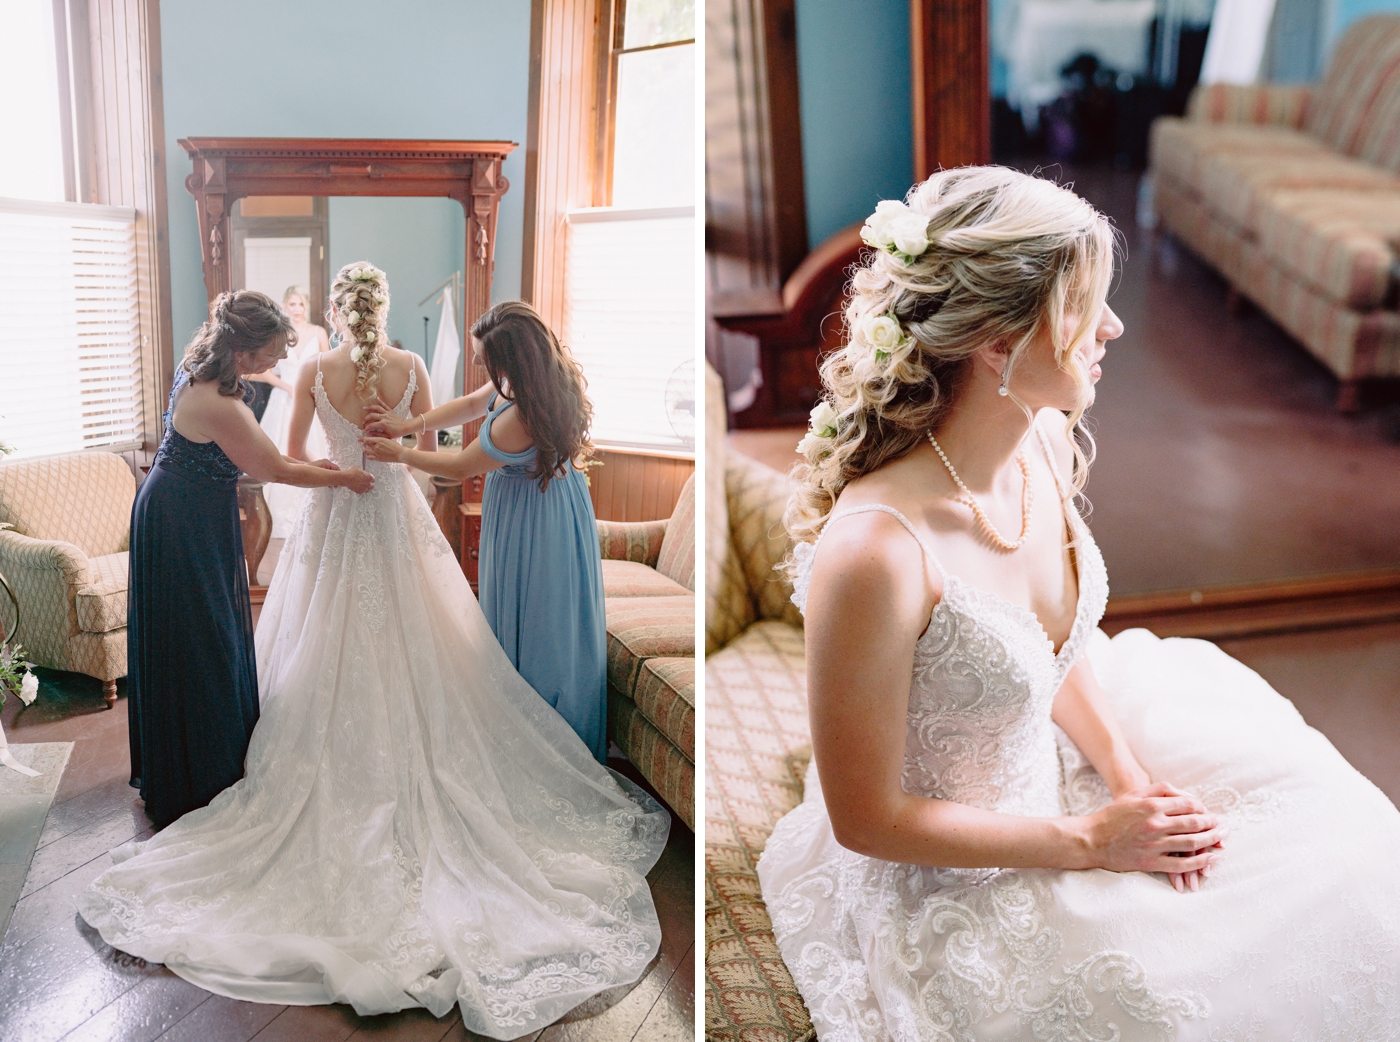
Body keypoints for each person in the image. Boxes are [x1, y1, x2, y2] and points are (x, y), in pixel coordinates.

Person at [757, 168, 1400, 1040]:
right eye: (1083, 306)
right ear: (995, 342)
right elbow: (868, 819)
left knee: (1352, 849)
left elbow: (1050, 651)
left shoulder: (1045, 441)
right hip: (960, 858)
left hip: (1072, 759)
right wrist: (1093, 841)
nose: (1115, 326)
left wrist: (1130, 777)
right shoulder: (875, 552)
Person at [77, 263, 668, 1039]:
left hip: (336, 513)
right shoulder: (413, 366)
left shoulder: (312, 375)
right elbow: (443, 437)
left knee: (308, 648)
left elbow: (291, 459)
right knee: (440, 645)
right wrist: (393, 460)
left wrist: (342, 468)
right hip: (390, 513)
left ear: (334, 311)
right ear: (382, 310)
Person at [127, 290, 372, 828]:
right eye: (273, 352)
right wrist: (343, 478)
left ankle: (189, 757)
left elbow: (268, 456)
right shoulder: (219, 403)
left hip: (184, 510)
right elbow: (276, 470)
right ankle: (198, 773)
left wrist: (326, 466)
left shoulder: (202, 369)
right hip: (180, 522)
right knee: (200, 635)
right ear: (243, 353)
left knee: (199, 631)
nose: (281, 360)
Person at [362, 301, 608, 762]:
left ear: (511, 359)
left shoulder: (522, 417)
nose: (479, 365)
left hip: (535, 522)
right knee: (530, 614)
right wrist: (411, 424)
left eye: (483, 359)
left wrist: (399, 452)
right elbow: (473, 404)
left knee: (540, 622)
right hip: (546, 503)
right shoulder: (530, 382)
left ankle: (545, 742)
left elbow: (457, 467)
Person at [250, 285, 330, 538]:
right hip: (283, 401)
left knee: (316, 448)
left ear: (307, 306)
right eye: (292, 304)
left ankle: (321, 514)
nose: (296, 309)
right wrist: (286, 386)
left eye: (301, 304)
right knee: (282, 450)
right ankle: (280, 518)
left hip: (314, 400)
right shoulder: (278, 333)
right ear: (285, 305)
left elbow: (329, 367)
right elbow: (262, 370)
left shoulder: (319, 332)